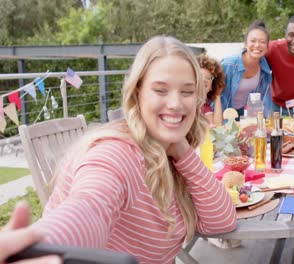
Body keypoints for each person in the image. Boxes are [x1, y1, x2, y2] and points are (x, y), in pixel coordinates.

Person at [29, 36, 237, 264]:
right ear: (138, 92)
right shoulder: (116, 152)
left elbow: (222, 222)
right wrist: (38, 248)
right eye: (160, 90)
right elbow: (90, 207)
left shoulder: (170, 151)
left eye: (187, 92)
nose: (176, 103)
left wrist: (182, 150)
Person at [221, 19, 272, 117]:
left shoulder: (265, 69)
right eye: (253, 41)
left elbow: (263, 99)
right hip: (222, 112)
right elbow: (211, 84)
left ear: (267, 46)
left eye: (262, 42)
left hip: (243, 113)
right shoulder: (229, 64)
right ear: (245, 43)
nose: (257, 45)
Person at [197, 53, 225, 126]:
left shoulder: (205, 106)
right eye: (200, 76)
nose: (204, 80)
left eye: (209, 78)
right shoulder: (187, 103)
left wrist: (217, 95)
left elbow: (218, 127)